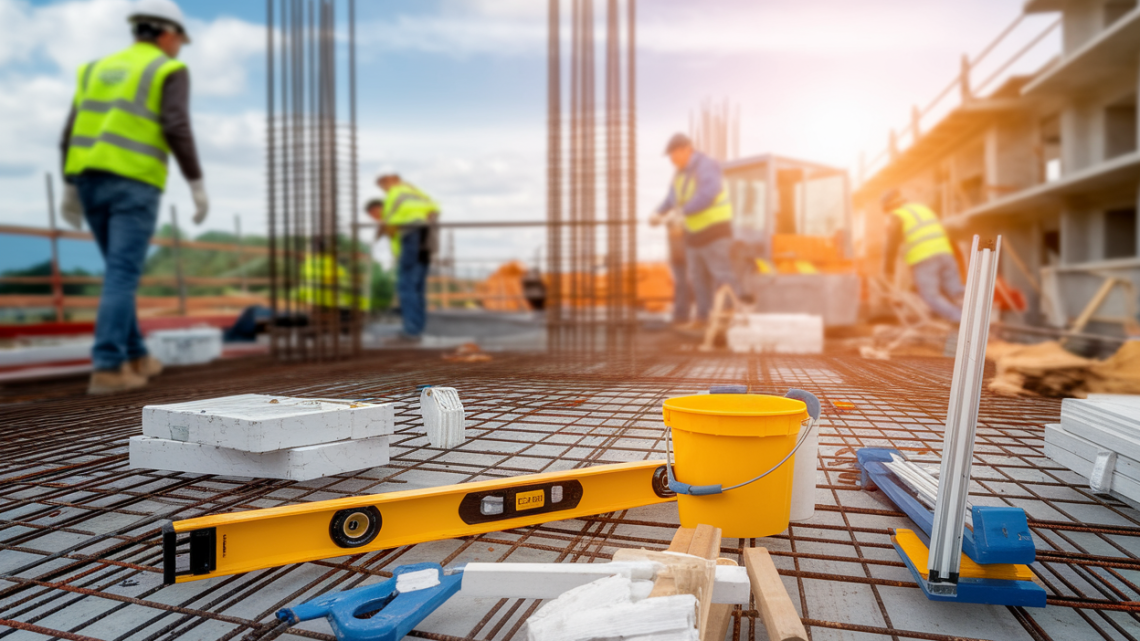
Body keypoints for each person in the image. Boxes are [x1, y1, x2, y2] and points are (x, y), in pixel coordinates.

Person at [59, 0, 207, 394]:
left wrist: (69, 186)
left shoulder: (95, 69)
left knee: (117, 273)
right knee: (122, 275)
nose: (179, 48)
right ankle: (109, 366)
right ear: (167, 34)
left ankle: (137, 355)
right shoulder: (167, 69)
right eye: (180, 41)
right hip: (134, 182)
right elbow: (176, 125)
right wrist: (196, 182)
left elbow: (71, 131)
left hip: (88, 179)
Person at [653, 133, 741, 328]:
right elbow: (672, 199)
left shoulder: (706, 165)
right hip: (694, 233)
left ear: (686, 149)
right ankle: (703, 318)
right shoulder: (679, 174)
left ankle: (727, 319)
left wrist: (682, 212)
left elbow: (708, 192)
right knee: (698, 279)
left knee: (721, 274)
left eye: (673, 154)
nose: (671, 159)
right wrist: (658, 213)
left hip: (715, 230)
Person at [881, 189, 964, 322]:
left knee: (930, 296)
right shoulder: (923, 209)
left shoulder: (897, 215)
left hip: (925, 258)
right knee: (956, 291)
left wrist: (888, 270)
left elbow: (891, 246)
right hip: (945, 254)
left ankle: (960, 319)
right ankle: (977, 315)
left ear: (889, 207)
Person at [376, 173, 439, 341]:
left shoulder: (395, 193)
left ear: (388, 182)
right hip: (426, 240)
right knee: (417, 287)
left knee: (406, 286)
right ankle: (416, 329)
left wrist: (381, 232)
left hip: (411, 237)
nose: (384, 190)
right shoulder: (417, 192)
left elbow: (389, 221)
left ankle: (411, 331)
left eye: (383, 187)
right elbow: (434, 211)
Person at [648, 208, 693, 326]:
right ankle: (680, 315)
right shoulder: (671, 207)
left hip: (690, 255)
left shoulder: (690, 210)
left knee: (690, 284)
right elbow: (652, 222)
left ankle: (695, 315)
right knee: (680, 285)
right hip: (676, 257)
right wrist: (664, 217)